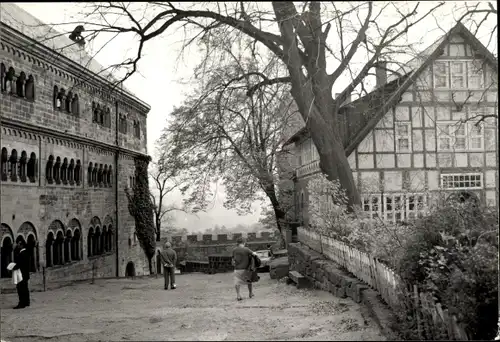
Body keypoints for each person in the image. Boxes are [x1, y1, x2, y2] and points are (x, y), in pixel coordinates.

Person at [12, 239, 30, 309]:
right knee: (25, 288)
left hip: (21, 274)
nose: (17, 245)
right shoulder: (26, 252)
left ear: (22, 245)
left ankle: (21, 303)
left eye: (19, 244)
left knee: (21, 288)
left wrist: (13, 267)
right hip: (25, 274)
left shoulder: (21, 254)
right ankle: (26, 302)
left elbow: (20, 264)